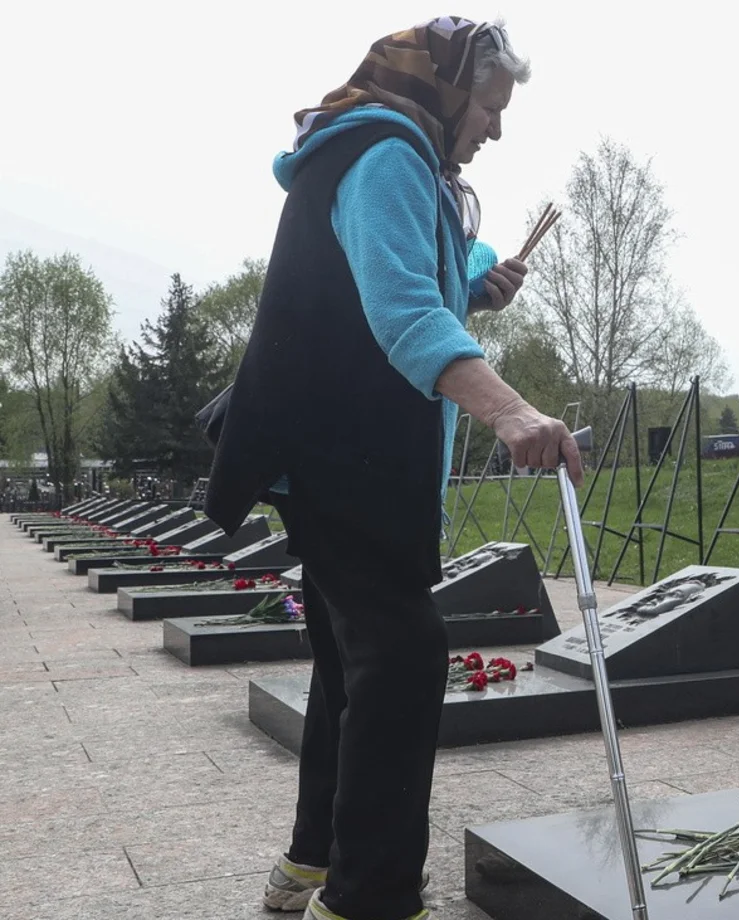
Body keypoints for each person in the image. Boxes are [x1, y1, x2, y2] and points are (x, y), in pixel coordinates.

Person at [201, 17, 583, 920]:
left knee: (352, 668)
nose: (495, 129)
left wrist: (475, 283)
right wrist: (512, 411)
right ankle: (368, 898)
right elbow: (404, 311)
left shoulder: (391, 156)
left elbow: (404, 284)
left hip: (337, 453)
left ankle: (312, 864)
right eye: (488, 107)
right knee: (406, 657)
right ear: (443, 89)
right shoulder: (386, 157)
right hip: (349, 458)